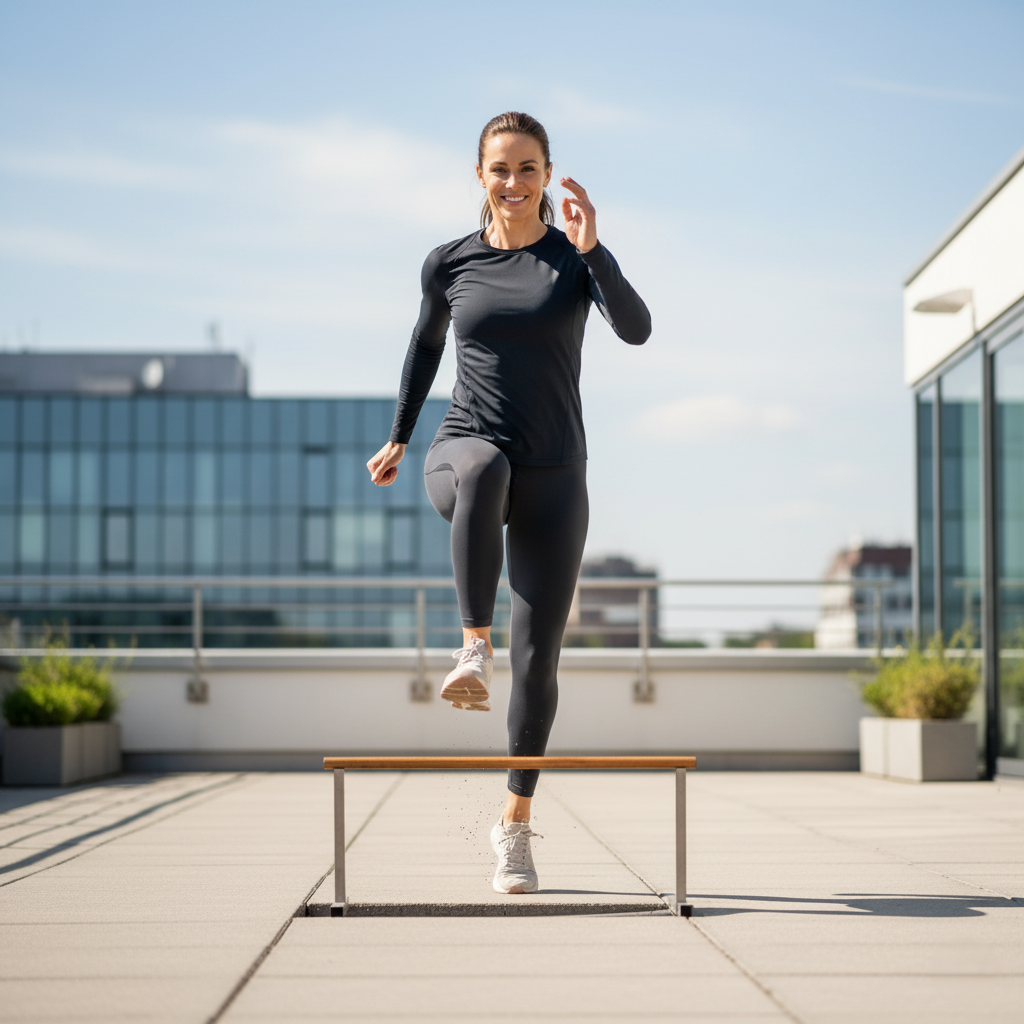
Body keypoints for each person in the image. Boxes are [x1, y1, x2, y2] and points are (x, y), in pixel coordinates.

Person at [367, 111, 650, 895]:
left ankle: (515, 826)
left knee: (541, 660)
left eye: (529, 169)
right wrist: (397, 436)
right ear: (480, 175)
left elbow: (637, 330)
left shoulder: (573, 260)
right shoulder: (449, 262)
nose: (515, 183)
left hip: (558, 473)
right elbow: (425, 346)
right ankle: (470, 643)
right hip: (464, 452)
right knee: (486, 465)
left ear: (548, 174)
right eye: (501, 169)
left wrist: (598, 252)